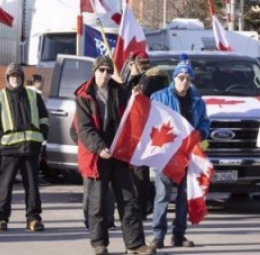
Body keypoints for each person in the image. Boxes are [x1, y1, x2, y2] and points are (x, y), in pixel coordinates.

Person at [75, 55, 154, 255]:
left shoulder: (120, 92)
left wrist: (136, 91)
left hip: (119, 155)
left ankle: (135, 244)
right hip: (97, 156)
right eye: (101, 70)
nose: (105, 74)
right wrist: (99, 147)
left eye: (108, 71)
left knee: (128, 201)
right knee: (98, 204)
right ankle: (99, 244)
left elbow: (134, 110)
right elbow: (83, 129)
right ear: (94, 71)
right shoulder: (84, 95)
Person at [149, 54, 209, 250]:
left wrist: (201, 132)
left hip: (187, 155)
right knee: (163, 195)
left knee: (183, 196)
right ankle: (158, 235)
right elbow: (151, 121)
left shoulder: (198, 102)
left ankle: (179, 234)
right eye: (180, 77)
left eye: (187, 78)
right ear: (174, 78)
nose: (184, 82)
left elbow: (204, 122)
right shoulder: (159, 97)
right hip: (166, 155)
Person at [0, 63, 50, 232]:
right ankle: (1, 219)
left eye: (18, 76)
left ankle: (33, 219)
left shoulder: (34, 96)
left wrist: (42, 133)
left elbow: (44, 117)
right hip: (9, 149)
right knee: (5, 186)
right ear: (7, 78)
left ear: (22, 78)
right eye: (12, 76)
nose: (15, 79)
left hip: (30, 148)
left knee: (33, 186)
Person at [124, 53, 160, 218]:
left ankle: (141, 207)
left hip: (144, 130)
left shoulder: (150, 79)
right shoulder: (143, 78)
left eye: (141, 64)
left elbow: (135, 96)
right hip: (137, 130)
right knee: (136, 172)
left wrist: (134, 76)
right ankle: (143, 205)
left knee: (140, 172)